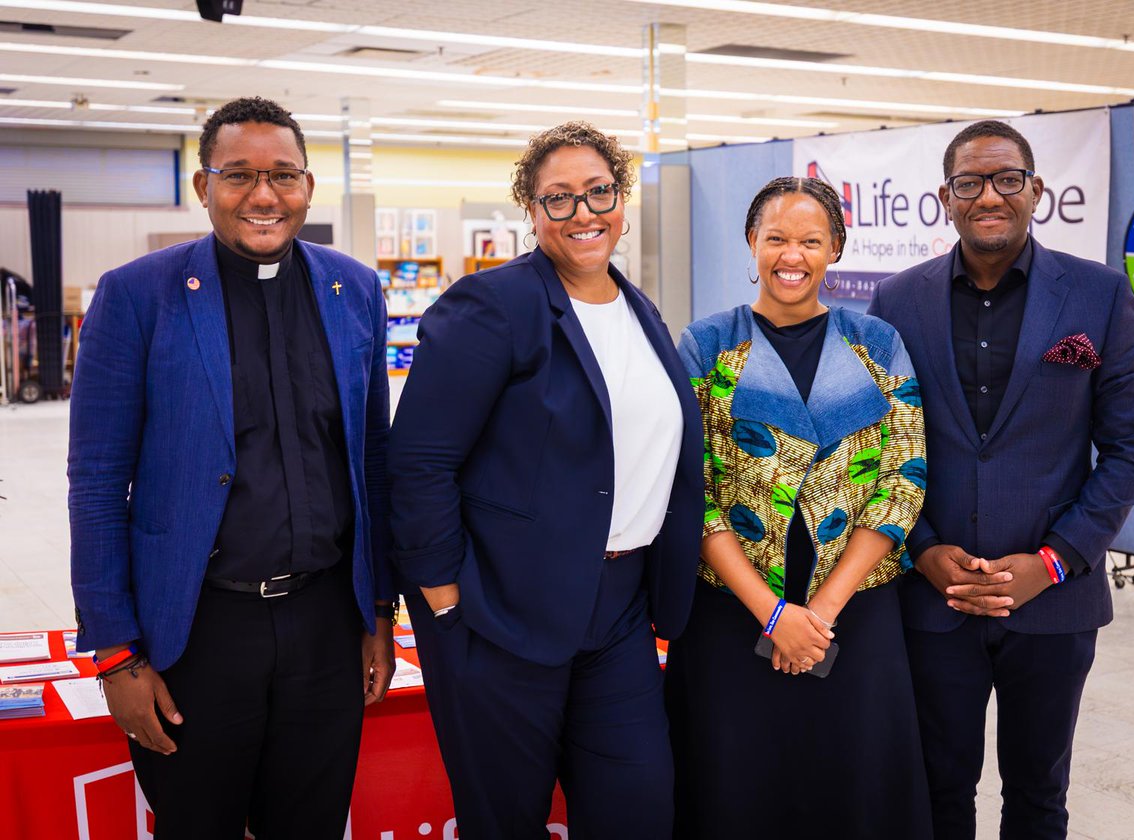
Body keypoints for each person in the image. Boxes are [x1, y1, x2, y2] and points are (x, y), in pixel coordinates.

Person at [68, 96, 396, 839]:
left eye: (283, 175)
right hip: (199, 631)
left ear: (308, 186)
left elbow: (374, 463)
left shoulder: (354, 291)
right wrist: (116, 655)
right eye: (238, 175)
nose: (263, 195)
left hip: (325, 625)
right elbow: (94, 483)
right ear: (203, 186)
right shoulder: (137, 296)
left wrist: (379, 611)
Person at [389, 121, 702, 839]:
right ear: (530, 212)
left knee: (640, 808)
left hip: (620, 610)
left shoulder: (640, 310)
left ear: (622, 199)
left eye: (599, 192)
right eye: (558, 198)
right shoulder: (491, 306)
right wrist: (443, 596)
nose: (583, 212)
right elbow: (420, 459)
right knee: (506, 819)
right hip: (501, 610)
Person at [868, 120, 1134, 840]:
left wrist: (1053, 561)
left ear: (1036, 191)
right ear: (946, 198)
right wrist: (922, 550)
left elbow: (1129, 449)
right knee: (937, 789)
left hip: (1052, 604)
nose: (989, 195)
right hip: (935, 598)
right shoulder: (897, 303)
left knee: (1038, 793)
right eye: (970, 182)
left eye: (1006, 179)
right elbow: (878, 446)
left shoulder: (1098, 296)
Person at [666, 176, 934, 839]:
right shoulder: (706, 345)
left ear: (835, 248)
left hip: (855, 613)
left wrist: (818, 615)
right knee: (736, 788)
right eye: (777, 238)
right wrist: (773, 613)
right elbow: (689, 492)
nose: (793, 255)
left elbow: (905, 478)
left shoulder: (876, 344)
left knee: (854, 787)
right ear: (752, 243)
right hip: (730, 613)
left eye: (811, 240)